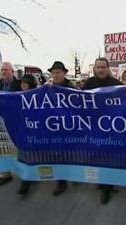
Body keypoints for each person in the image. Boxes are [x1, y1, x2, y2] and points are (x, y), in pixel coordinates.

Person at [84, 58, 122, 204]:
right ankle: (102, 180)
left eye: (103, 67)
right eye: (98, 67)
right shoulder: (89, 83)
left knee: (109, 156)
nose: (100, 70)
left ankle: (107, 186)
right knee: (98, 155)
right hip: (94, 126)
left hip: (111, 127)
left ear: (108, 68)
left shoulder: (116, 85)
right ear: (95, 68)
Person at [46, 61, 75, 195]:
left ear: (64, 74)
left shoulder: (71, 87)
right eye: (54, 72)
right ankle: (61, 181)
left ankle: (75, 174)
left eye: (58, 72)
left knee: (70, 154)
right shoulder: (47, 87)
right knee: (57, 155)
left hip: (70, 126)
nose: (56, 75)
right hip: (54, 127)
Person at [0, 62, 22, 187]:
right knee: (2, 147)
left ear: (12, 72)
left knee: (19, 147)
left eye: (7, 70)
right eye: (2, 70)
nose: (4, 72)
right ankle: (6, 173)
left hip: (16, 120)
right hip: (1, 121)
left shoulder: (20, 85)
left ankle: (24, 173)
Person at [16, 74, 38, 195]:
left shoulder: (38, 95)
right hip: (23, 130)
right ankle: (26, 180)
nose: (23, 85)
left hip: (35, 130)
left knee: (34, 156)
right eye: (22, 83)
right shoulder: (17, 96)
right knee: (23, 155)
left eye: (25, 83)